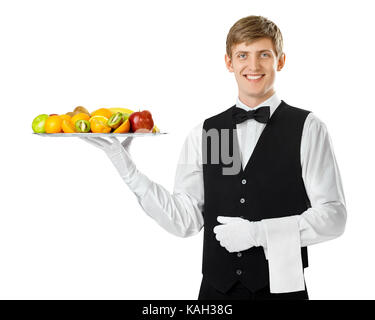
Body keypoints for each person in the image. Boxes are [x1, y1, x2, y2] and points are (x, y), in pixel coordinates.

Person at [80, 15, 347, 300]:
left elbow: (334, 217)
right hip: (215, 294)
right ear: (229, 62)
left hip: (283, 290)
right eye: (243, 55)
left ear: (280, 61)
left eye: (264, 55)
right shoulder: (205, 133)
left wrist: (259, 233)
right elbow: (186, 220)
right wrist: (131, 175)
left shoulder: (308, 128)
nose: (253, 66)